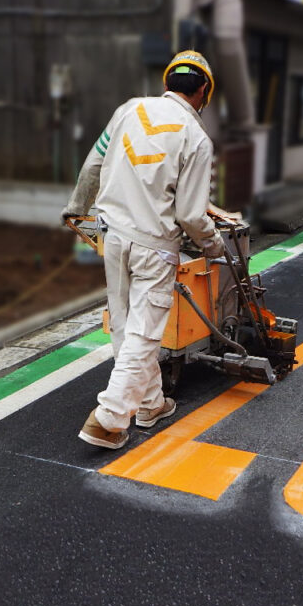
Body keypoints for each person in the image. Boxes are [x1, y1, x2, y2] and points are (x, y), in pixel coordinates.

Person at [62, 50, 226, 449]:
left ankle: (151, 403)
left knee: (123, 323)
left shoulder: (129, 110)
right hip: (154, 245)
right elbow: (190, 213)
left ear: (167, 83)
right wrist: (213, 243)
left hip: (112, 234)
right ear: (204, 90)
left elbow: (93, 166)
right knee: (144, 334)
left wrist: (76, 209)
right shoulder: (197, 137)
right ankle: (109, 417)